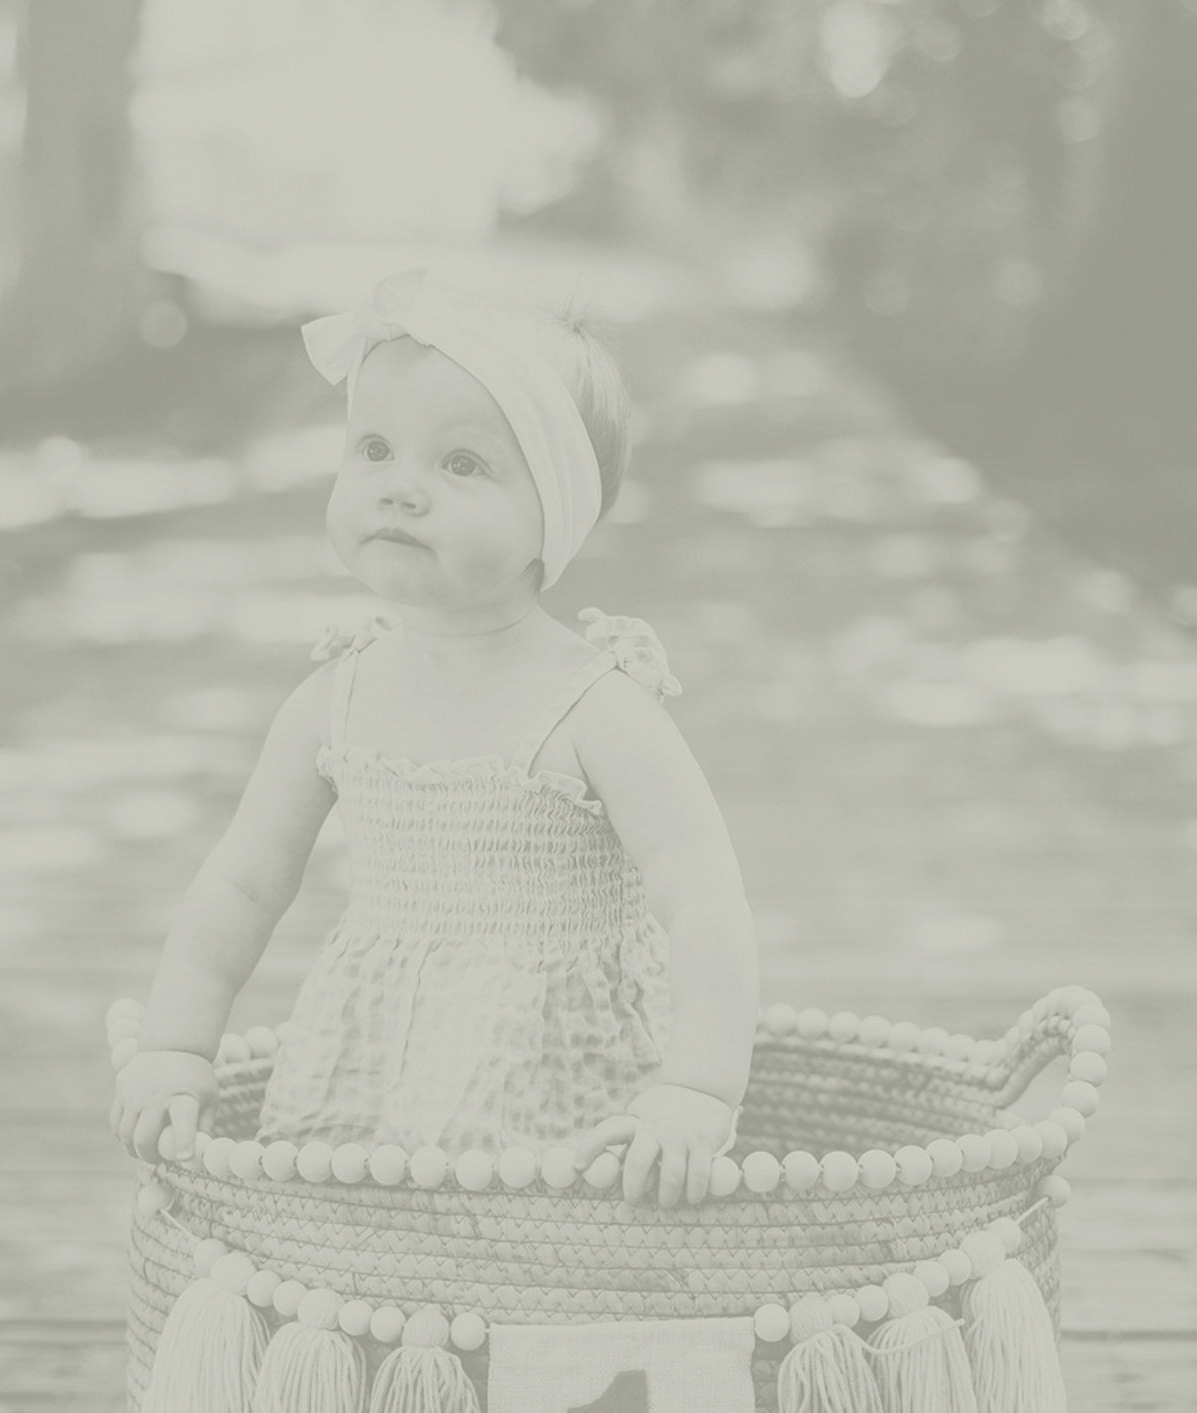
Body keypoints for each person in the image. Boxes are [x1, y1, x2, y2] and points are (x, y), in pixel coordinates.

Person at [109, 268, 759, 1207]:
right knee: (368, 1257)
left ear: (555, 514)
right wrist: (175, 1044)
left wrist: (696, 1088)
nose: (400, 490)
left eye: (460, 465)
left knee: (555, 1259)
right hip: (375, 1070)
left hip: (563, 1089)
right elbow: (243, 882)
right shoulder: (335, 698)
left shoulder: (598, 709)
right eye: (374, 449)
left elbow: (703, 898)